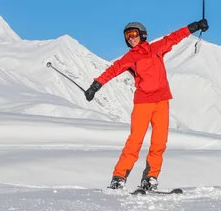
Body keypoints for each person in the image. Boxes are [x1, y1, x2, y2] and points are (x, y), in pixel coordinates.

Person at [84, 18, 209, 190]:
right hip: (143, 103)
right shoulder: (130, 57)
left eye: (134, 33)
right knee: (135, 141)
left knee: (159, 143)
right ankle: (119, 178)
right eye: (127, 36)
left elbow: (174, 37)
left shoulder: (156, 48)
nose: (131, 38)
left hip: (162, 102)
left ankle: (150, 178)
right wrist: (95, 86)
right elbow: (113, 70)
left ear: (142, 34)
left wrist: (194, 27)